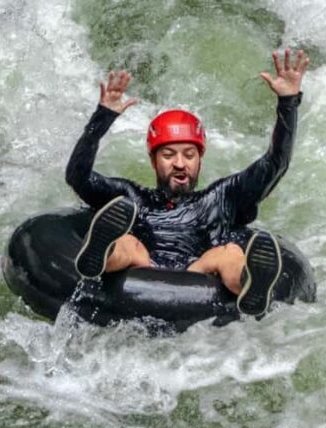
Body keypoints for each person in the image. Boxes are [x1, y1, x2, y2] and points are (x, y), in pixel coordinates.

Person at [65, 48, 309, 316]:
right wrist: (103, 117)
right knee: (127, 244)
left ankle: (251, 286)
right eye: (168, 155)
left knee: (226, 253)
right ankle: (100, 254)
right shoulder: (132, 198)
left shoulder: (221, 197)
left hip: (199, 273)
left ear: (199, 160)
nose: (180, 163)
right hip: (142, 268)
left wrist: (288, 101)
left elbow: (276, 163)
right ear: (153, 162)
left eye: (188, 155)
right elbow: (78, 177)